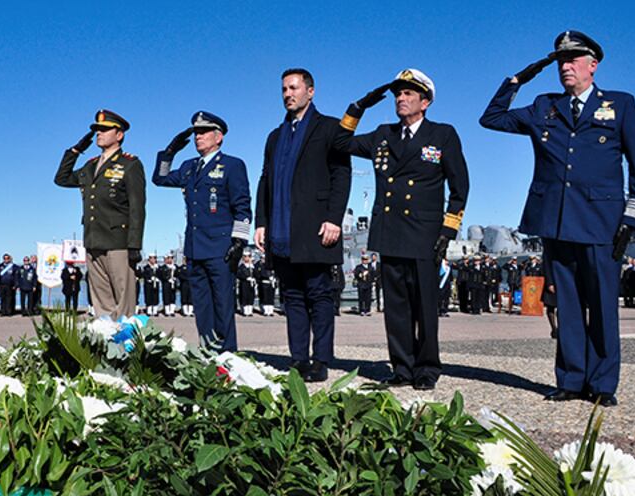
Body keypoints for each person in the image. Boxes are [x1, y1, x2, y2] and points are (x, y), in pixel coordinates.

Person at [480, 30, 635, 406]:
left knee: (604, 305)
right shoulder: (544, 106)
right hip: (556, 221)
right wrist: (520, 78)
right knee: (568, 305)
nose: (565, 66)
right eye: (560, 61)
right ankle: (571, 380)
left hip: (601, 222)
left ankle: (603, 385)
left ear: (593, 65)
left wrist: (633, 219)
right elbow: (490, 118)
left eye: (573, 59)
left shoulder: (620, 104)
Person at [336, 69, 468, 390]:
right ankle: (402, 367)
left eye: (408, 94)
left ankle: (426, 368)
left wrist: (447, 232)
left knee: (425, 305)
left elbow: (460, 186)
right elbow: (340, 142)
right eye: (398, 94)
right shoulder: (383, 135)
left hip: (424, 235)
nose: (401, 98)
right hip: (390, 232)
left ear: (425, 102)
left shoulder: (442, 135)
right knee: (395, 307)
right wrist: (358, 107)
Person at [253, 69, 352, 381]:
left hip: (315, 226)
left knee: (319, 294)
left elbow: (341, 174)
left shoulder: (330, 128)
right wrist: (261, 222)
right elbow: (265, 179)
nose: (287, 94)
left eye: (293, 88)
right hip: (282, 230)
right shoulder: (275, 136)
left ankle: (321, 361)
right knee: (292, 297)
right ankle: (298, 360)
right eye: (284, 89)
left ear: (311, 91)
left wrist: (334, 218)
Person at [153, 112, 252, 349]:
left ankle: (227, 357)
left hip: (220, 249)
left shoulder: (232, 165)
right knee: (202, 307)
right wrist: (170, 152)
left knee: (223, 306)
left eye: (204, 132)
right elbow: (160, 179)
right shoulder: (189, 167)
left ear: (219, 137)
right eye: (196, 132)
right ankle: (207, 353)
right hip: (195, 248)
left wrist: (239, 242)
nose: (198, 137)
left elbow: (243, 206)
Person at [55, 109, 146, 318]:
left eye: (105, 129)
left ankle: (126, 346)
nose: (99, 133)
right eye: (97, 129)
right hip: (94, 240)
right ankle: (106, 344)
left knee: (123, 302)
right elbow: (62, 178)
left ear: (119, 134)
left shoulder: (130, 164)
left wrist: (134, 244)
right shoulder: (90, 166)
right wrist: (76, 150)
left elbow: (137, 208)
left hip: (118, 242)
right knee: (101, 302)